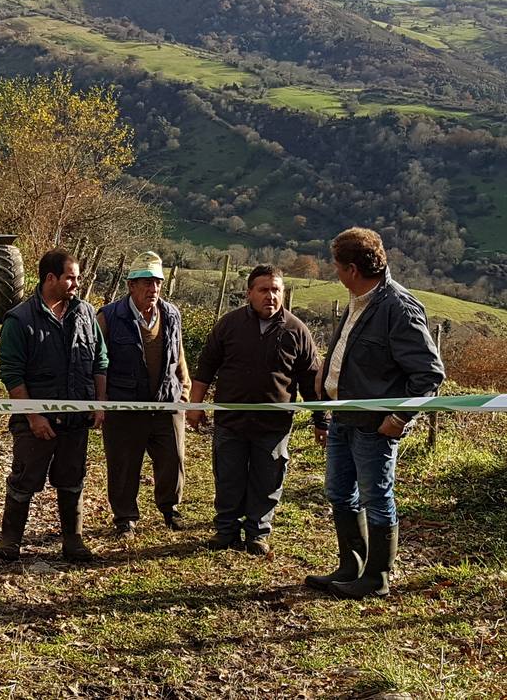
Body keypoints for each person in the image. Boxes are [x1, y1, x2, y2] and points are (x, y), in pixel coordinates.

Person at [305, 228, 444, 599]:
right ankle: (351, 565)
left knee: (376, 497)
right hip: (342, 417)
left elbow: (429, 374)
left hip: (374, 426)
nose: (333, 271)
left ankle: (377, 577)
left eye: (336, 265)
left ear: (351, 268)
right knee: (339, 492)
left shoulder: (398, 308)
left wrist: (399, 419)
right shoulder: (358, 299)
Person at [188, 265, 320, 554]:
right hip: (230, 422)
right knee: (228, 477)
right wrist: (195, 406)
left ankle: (258, 533)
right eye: (263, 290)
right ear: (249, 293)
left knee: (267, 480)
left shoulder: (297, 331)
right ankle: (226, 531)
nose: (270, 296)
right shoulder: (229, 324)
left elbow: (312, 381)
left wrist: (321, 420)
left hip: (273, 426)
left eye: (276, 290)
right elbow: (206, 367)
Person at [0, 250, 108, 563]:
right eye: (71, 277)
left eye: (77, 277)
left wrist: (100, 405)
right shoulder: (19, 320)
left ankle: (74, 542)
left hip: (76, 421)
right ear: (50, 278)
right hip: (35, 424)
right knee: (24, 481)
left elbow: (100, 360)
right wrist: (33, 416)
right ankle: (10, 541)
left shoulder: (86, 313)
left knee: (72, 480)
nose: (76, 283)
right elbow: (12, 373)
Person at [97, 251, 190, 538]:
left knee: (173, 458)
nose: (153, 289)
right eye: (147, 283)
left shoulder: (171, 314)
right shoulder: (109, 316)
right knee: (124, 462)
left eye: (157, 283)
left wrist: (184, 389)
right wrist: (99, 400)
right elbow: (97, 361)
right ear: (131, 286)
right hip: (125, 404)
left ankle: (170, 508)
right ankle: (125, 517)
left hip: (166, 400)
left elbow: (179, 353)